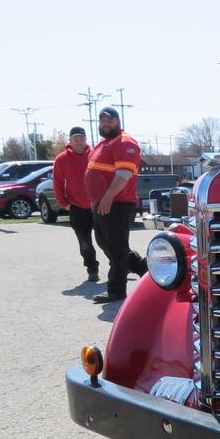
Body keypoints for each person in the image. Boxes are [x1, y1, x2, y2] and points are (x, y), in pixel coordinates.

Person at [84, 107, 147, 304]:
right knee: (107, 244)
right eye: (102, 121)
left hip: (117, 203)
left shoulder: (125, 143)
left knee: (116, 248)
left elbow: (124, 174)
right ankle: (144, 268)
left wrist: (109, 196)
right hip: (102, 203)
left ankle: (116, 291)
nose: (106, 124)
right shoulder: (102, 144)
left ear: (118, 121)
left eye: (109, 120)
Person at [52, 126, 99, 282]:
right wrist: (64, 203)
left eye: (81, 138)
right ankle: (92, 268)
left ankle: (121, 266)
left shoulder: (95, 155)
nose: (79, 142)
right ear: (70, 141)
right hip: (77, 207)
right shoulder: (62, 159)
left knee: (108, 240)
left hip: (97, 205)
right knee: (85, 243)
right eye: (75, 139)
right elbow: (58, 183)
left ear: (86, 140)